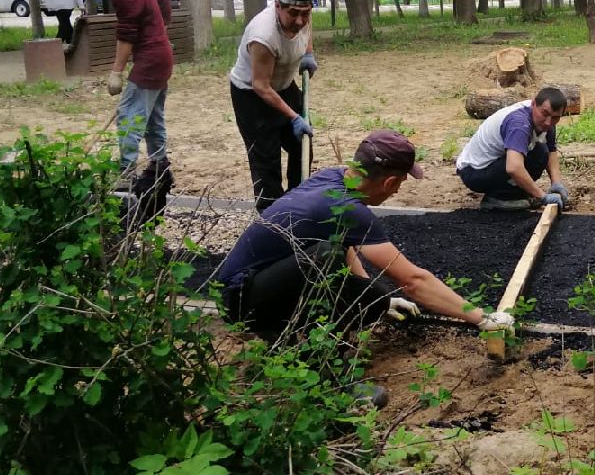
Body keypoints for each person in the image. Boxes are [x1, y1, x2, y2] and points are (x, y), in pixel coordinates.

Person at [214, 129, 516, 345]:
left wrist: (374, 296)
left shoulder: (333, 178)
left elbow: (339, 241)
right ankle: (317, 360)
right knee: (332, 267)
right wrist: (480, 317)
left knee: (364, 289)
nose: (397, 191)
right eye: (399, 184)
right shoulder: (348, 209)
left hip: (248, 286)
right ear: (389, 181)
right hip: (242, 301)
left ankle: (301, 333)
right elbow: (414, 280)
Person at [73, 0, 173, 175]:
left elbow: (126, 35)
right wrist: (161, 33)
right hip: (159, 57)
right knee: (152, 118)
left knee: (128, 118)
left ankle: (127, 175)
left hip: (150, 61)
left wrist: (116, 72)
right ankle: (160, 167)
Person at [228, 0, 318, 210]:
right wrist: (294, 117)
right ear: (278, 6)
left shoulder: (302, 16)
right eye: (293, 14)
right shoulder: (263, 36)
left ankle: (296, 204)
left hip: (284, 87)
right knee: (266, 161)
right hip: (253, 96)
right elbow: (261, 86)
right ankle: (272, 221)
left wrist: (308, 52)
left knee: (301, 145)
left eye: (305, 13)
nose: (299, 21)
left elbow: (306, 27)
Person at [456, 86, 571, 211]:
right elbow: (513, 168)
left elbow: (551, 151)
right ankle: (498, 198)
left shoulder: (544, 122)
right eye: (545, 113)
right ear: (533, 104)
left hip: (495, 165)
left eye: (555, 117)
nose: (549, 122)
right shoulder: (519, 124)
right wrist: (542, 196)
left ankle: (514, 194)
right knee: (530, 157)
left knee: (541, 152)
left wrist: (556, 183)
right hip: (474, 173)